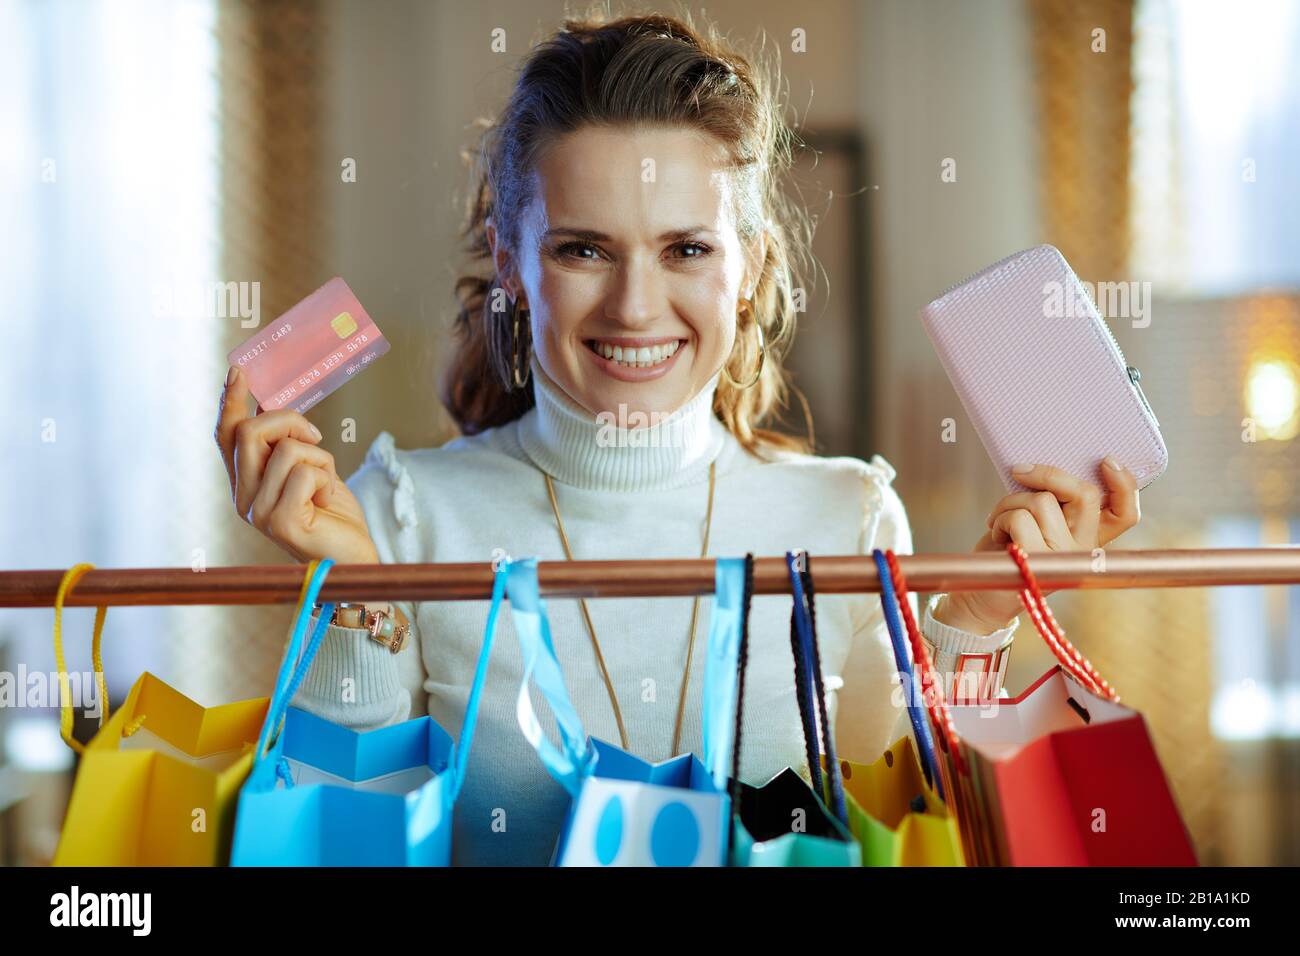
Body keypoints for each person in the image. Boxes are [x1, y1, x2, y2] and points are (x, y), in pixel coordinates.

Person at [214, 11, 1140, 865]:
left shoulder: (847, 514)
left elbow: (897, 812)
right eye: (584, 248)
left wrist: (978, 618)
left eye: (686, 249)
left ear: (752, 266)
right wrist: (355, 599)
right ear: (510, 261)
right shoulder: (397, 519)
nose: (636, 305)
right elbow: (339, 845)